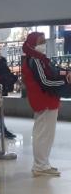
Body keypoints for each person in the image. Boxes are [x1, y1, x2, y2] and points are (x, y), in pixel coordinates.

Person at [22, 31, 69, 176]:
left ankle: (43, 164)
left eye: (44, 41)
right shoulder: (34, 60)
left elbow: (53, 72)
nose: (43, 44)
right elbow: (45, 81)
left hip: (48, 99)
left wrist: (65, 73)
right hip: (43, 100)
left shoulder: (40, 58)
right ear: (33, 44)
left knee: (47, 134)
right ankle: (39, 166)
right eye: (40, 42)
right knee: (42, 134)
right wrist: (65, 80)